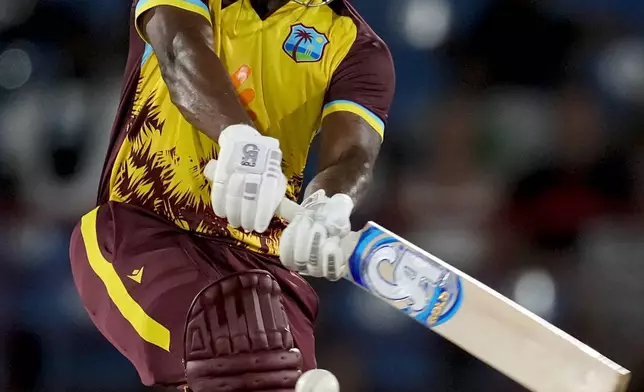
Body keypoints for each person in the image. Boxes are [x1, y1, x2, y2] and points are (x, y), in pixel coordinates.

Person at [68, 0, 394, 391]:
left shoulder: (356, 46)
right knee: (232, 354)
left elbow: (353, 154)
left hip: (261, 267)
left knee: (269, 368)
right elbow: (178, 48)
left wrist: (330, 204)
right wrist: (241, 140)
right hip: (142, 231)